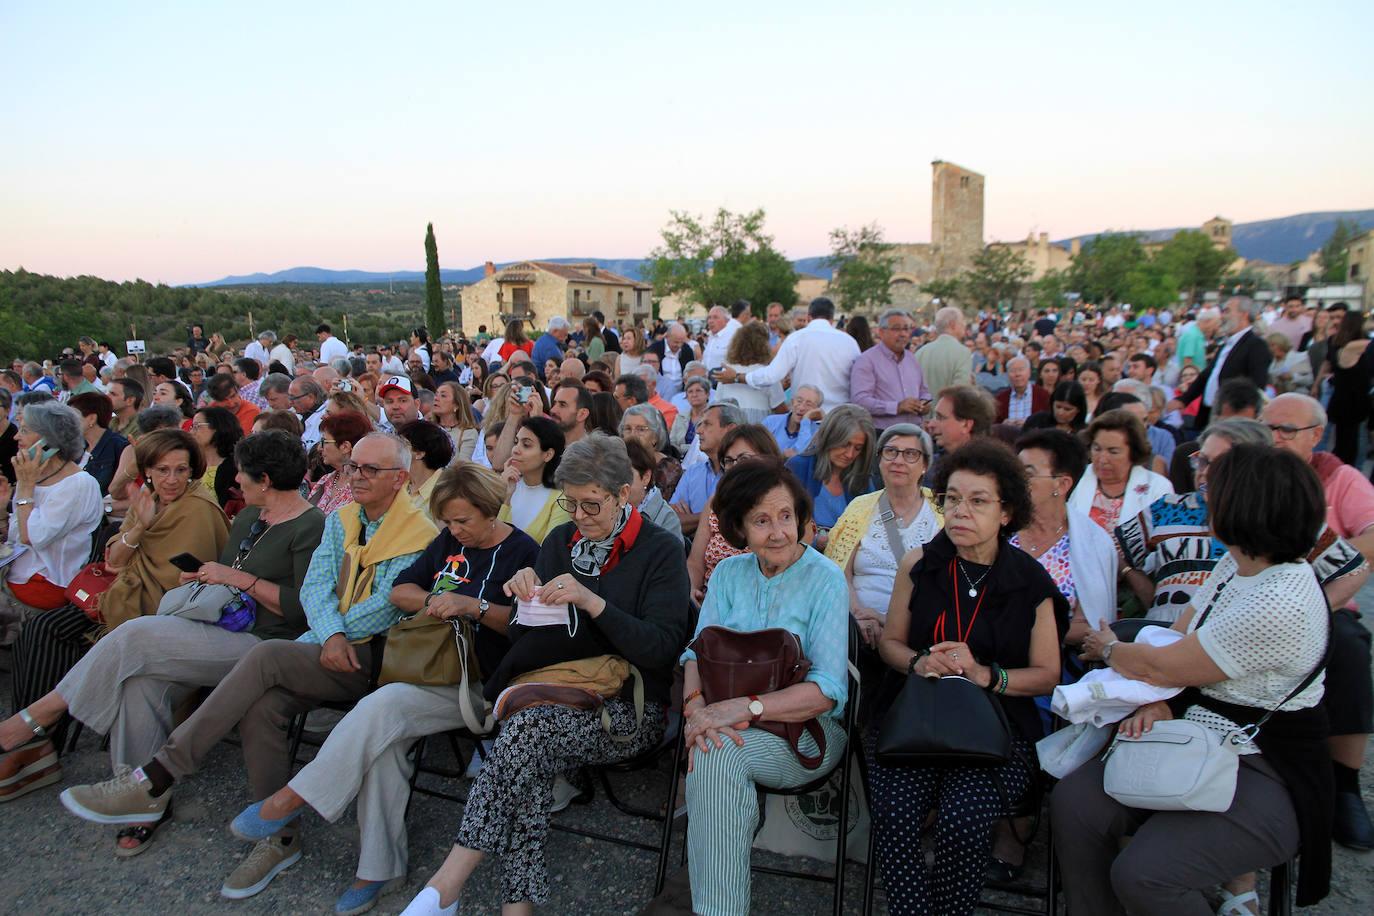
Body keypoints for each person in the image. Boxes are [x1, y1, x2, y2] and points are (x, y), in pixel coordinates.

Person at [59, 433, 434, 899]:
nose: (355, 476)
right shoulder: (343, 521)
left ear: (400, 479)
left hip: (374, 656)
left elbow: (384, 609)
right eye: (352, 466)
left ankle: (159, 774)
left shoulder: (420, 534)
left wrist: (328, 635)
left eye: (368, 470)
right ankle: (279, 838)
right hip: (324, 647)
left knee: (265, 655)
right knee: (262, 708)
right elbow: (317, 588)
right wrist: (328, 634)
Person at [397, 434, 690, 916]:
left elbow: (660, 650)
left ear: (623, 495)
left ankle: (448, 887)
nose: (580, 516)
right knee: (528, 740)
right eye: (570, 503)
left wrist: (593, 602)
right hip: (552, 691)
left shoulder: (659, 549)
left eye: (592, 504)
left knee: (525, 734)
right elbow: (524, 641)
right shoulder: (560, 541)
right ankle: (513, 905)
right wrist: (521, 601)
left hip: (630, 708)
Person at [225, 464, 536, 913]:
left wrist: (475, 605)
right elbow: (401, 590)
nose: (454, 529)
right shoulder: (449, 542)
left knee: (383, 706)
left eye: (464, 520)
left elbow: (527, 628)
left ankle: (295, 797)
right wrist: (433, 600)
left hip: (481, 685)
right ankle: (379, 868)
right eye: (448, 521)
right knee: (386, 739)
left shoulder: (523, 552)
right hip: (428, 672)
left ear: (492, 511)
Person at [0, 432, 322, 833]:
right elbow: (211, 579)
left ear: (265, 480)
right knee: (140, 679)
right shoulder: (247, 518)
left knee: (134, 636)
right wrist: (203, 577)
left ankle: (35, 718)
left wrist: (239, 579)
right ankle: (142, 795)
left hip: (266, 644)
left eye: (241, 473)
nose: (235, 480)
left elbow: (305, 609)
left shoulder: (311, 525)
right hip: (220, 626)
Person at [1062, 445, 1336, 912]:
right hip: (1197, 730)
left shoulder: (1279, 600)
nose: (1203, 488)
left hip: (1266, 766)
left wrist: (1109, 648)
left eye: (1214, 483)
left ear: (1247, 506)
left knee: (1145, 874)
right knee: (1075, 806)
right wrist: (1159, 696)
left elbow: (1161, 664)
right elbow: (1179, 638)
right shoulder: (1238, 561)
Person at [870, 439, 1067, 916]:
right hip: (916, 719)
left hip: (996, 729)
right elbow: (890, 643)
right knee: (895, 815)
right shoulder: (919, 565)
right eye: (952, 499)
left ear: (1006, 512)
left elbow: (1047, 676)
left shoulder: (1030, 582)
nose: (960, 511)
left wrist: (985, 675)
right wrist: (918, 662)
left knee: (965, 818)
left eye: (978, 501)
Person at [679, 456, 849, 914]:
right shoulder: (730, 574)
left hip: (804, 732)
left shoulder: (825, 578)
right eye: (761, 520)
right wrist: (696, 709)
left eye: (786, 516)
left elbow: (827, 691)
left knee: (714, 753)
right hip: (726, 724)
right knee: (714, 751)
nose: (778, 532)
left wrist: (739, 709)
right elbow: (697, 652)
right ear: (738, 528)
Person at [8, 429, 230, 745]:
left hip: (154, 608)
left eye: (181, 470)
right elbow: (114, 559)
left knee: (49, 630)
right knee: (36, 630)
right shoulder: (150, 499)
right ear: (148, 472)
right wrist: (140, 526)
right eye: (162, 470)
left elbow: (178, 584)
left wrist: (130, 557)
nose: (172, 479)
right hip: (122, 594)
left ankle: (36, 742)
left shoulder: (197, 508)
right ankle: (32, 737)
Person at [1262, 392, 1374, 850]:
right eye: (1269, 427)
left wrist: (1314, 572)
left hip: (1324, 601)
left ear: (1315, 435)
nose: (1276, 437)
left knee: (1348, 645)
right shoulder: (1254, 473)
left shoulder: (1339, 478)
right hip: (1252, 600)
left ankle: (1346, 784)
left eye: (1287, 430)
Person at [824, 424, 942, 649]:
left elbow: (945, 588)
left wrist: (887, 623)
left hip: (919, 631)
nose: (898, 460)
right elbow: (838, 573)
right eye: (891, 452)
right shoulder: (859, 507)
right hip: (858, 628)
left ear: (925, 465)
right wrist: (859, 615)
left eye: (910, 454)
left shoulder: (942, 512)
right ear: (880, 460)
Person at [0, 401, 104, 644]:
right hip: (19, 571)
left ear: (49, 441)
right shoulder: (37, 475)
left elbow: (32, 537)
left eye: (25, 430)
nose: (16, 435)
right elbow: (15, 536)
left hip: (46, 583)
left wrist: (24, 487)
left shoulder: (78, 484)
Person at [1013, 429, 1117, 643]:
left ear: (1061, 484)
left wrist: (1021, 635)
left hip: (1061, 661)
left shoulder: (1092, 543)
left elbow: (1091, 625)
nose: (1015, 481)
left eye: (1028, 473)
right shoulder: (1000, 530)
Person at [716, 298, 859, 415]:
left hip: (805, 415)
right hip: (840, 416)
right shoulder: (850, 342)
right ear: (832, 319)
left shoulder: (796, 339)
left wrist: (738, 377)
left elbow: (771, 375)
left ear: (809, 317)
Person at [687, 425, 784, 599]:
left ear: (768, 458)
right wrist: (692, 591)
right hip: (711, 602)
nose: (735, 467)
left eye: (743, 458)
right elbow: (695, 563)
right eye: (729, 461)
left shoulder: (786, 505)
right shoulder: (716, 504)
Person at [1170, 296, 1273, 428]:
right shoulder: (1226, 344)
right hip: (1209, 414)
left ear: (1244, 315)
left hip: (1231, 419)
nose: (1222, 316)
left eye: (1227, 311)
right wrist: (1183, 400)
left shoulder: (1256, 345)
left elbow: (1256, 386)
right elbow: (1207, 375)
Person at [1069, 409, 1174, 536]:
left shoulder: (1158, 487)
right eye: (1097, 449)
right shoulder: (1074, 477)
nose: (1102, 459)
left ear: (1133, 453)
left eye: (1113, 452)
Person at [850, 309, 931, 431]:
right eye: (896, 329)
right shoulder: (867, 360)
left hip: (914, 432)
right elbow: (860, 401)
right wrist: (897, 407)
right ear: (881, 332)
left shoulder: (912, 359)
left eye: (906, 329)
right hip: (883, 434)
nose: (903, 334)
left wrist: (924, 404)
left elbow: (924, 392)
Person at [671, 403, 743, 538]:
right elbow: (672, 522)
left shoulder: (744, 472)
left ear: (730, 429)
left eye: (707, 424)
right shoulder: (693, 472)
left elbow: (739, 523)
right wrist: (717, 516)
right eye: (699, 424)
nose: (698, 431)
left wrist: (692, 518)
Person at [498, 416, 570, 543]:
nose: (515, 450)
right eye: (516, 442)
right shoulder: (505, 484)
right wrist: (505, 496)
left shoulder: (561, 499)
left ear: (548, 455)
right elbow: (491, 539)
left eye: (526, 445)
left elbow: (548, 552)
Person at [1318, 310, 1373, 466]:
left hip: (1341, 399)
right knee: (1355, 444)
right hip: (1355, 401)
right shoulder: (1357, 345)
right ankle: (1351, 475)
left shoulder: (1337, 343)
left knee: (1343, 442)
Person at [714, 322, 783, 423]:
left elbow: (718, 401)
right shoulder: (767, 372)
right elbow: (779, 407)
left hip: (731, 423)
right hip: (759, 425)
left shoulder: (727, 371)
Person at [308, 410, 373, 515]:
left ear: (345, 447)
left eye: (324, 442)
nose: (319, 448)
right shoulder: (325, 481)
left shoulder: (364, 486)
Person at [66, 392, 128, 496]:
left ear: (92, 419)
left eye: (73, 416)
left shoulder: (119, 447)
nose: (67, 422)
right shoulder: (76, 446)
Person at [620, 403, 684, 504]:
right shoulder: (616, 459)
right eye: (628, 429)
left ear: (655, 436)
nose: (632, 435)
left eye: (641, 429)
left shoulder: (668, 468)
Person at [624, 437, 681, 540]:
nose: (618, 483)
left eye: (626, 475)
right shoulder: (609, 507)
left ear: (646, 477)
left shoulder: (667, 519)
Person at [191, 405, 244, 514]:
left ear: (218, 428)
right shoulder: (190, 464)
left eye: (197, 426)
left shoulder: (235, 467)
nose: (192, 432)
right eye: (192, 427)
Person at [398, 419, 455, 516]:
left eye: (401, 444)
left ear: (419, 453)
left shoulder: (445, 491)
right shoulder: (400, 483)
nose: (395, 448)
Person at [915, 306, 974, 396]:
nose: (964, 325)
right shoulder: (962, 352)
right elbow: (961, 393)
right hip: (947, 409)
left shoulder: (920, 352)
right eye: (962, 322)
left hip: (923, 409)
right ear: (952, 325)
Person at [763, 384, 822, 458]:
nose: (801, 408)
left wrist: (806, 420)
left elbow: (802, 454)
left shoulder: (816, 432)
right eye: (799, 401)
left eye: (808, 404)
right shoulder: (770, 421)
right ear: (792, 402)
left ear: (816, 410)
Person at [430, 381, 479, 463]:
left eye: (443, 395)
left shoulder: (468, 433)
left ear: (457, 405)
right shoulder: (427, 429)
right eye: (436, 394)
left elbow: (463, 465)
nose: (436, 398)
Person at [995, 356, 1049, 425]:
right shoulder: (1000, 398)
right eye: (1012, 371)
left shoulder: (1043, 395)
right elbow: (994, 424)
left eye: (1021, 370)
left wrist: (1029, 424)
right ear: (1007, 375)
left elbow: (1048, 422)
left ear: (1029, 372)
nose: (1017, 374)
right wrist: (1003, 424)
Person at [1021, 380, 1088, 434]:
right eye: (1058, 407)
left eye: (1067, 409)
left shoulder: (1083, 433)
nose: (1060, 412)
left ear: (1078, 409)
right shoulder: (1036, 421)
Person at [669, 376, 712, 455]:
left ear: (707, 394)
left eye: (698, 391)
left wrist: (683, 447)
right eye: (690, 392)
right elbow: (672, 443)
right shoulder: (680, 417)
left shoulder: (713, 416)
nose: (694, 395)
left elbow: (710, 444)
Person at [701, 305, 741, 372]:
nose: (711, 321)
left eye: (715, 317)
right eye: (709, 318)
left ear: (726, 320)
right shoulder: (711, 338)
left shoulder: (733, 337)